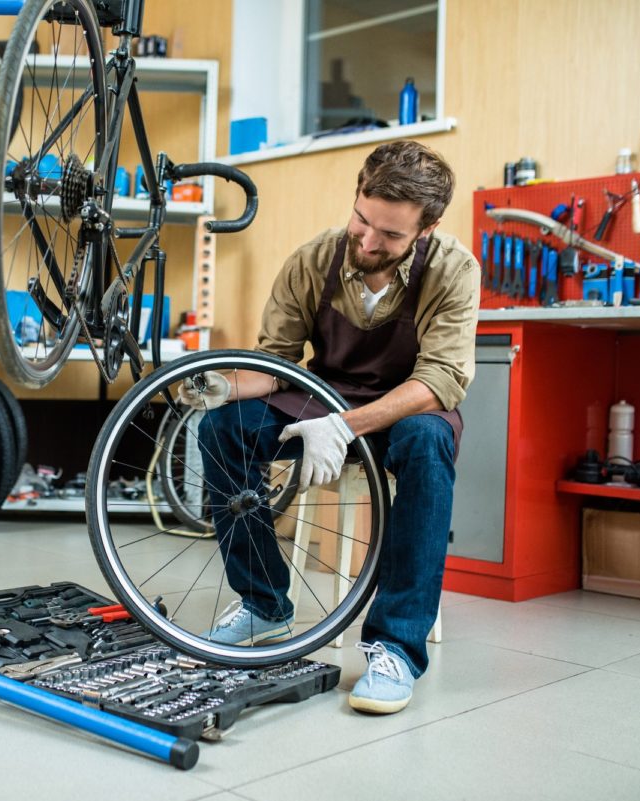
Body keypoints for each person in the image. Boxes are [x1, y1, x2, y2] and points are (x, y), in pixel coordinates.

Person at [178, 140, 479, 714]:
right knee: (223, 428)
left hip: (407, 408)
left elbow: (438, 381)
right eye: (362, 220)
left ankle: (395, 646)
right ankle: (264, 603)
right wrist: (223, 386)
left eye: (389, 236)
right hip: (322, 398)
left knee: (429, 442)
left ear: (428, 227)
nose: (368, 242)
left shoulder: (454, 270)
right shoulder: (314, 260)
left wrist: (344, 426)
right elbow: (278, 364)